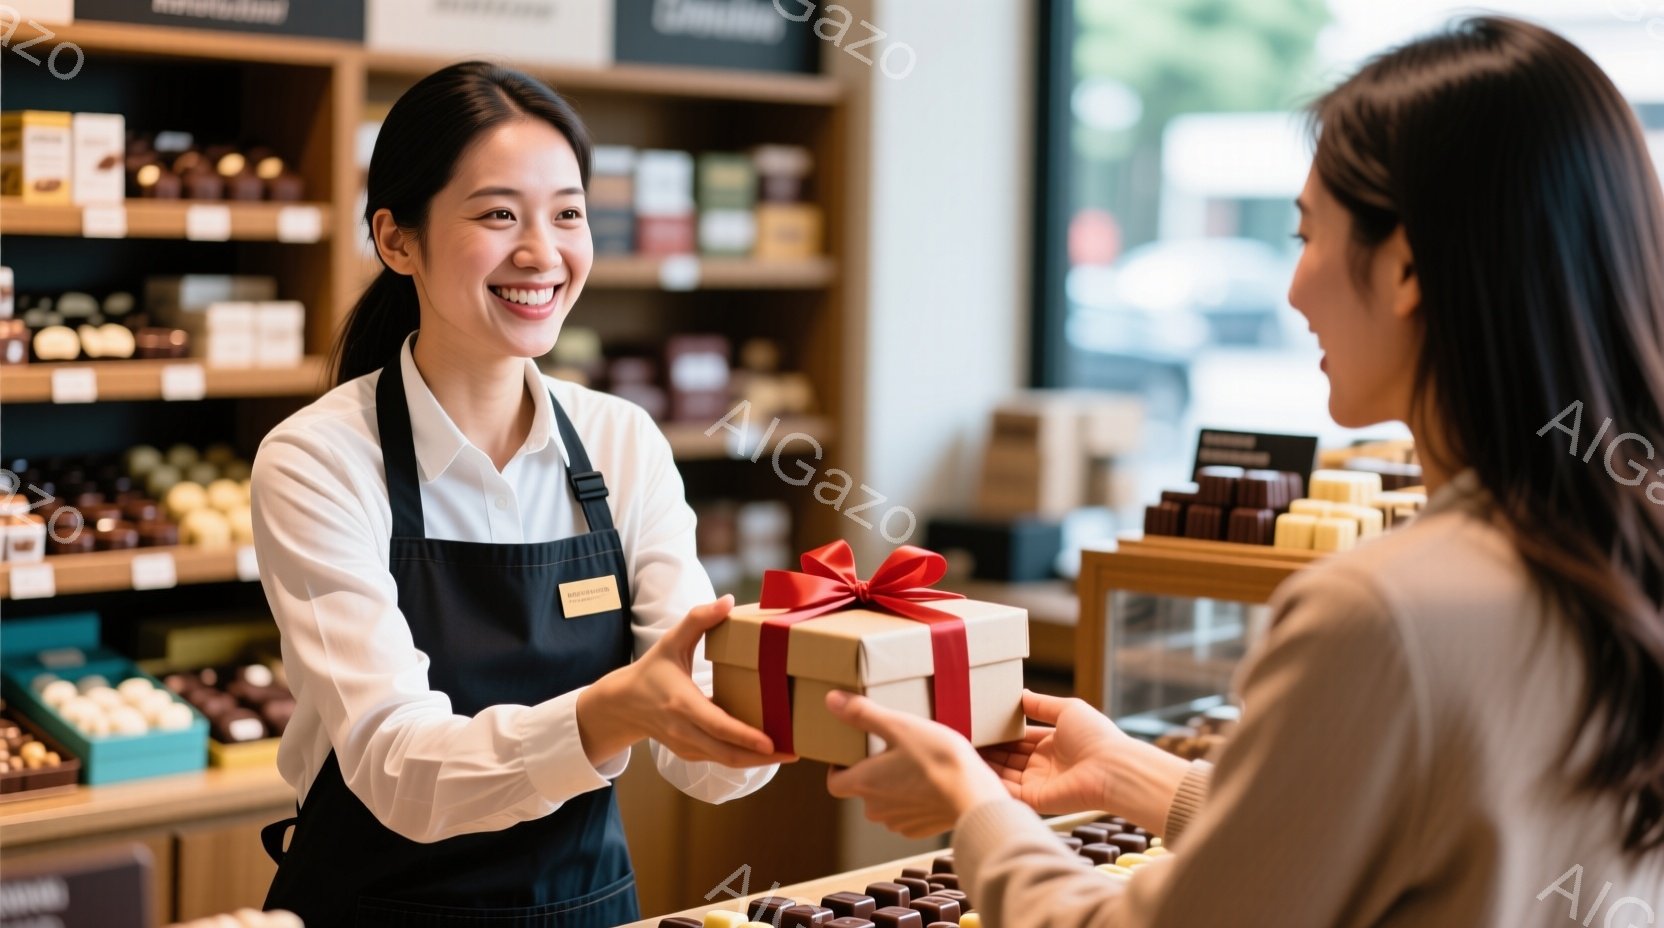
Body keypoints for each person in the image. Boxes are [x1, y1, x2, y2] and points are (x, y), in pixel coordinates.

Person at [824, 16, 1664, 926]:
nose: (1294, 288)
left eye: (1308, 236)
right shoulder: (1614, 552)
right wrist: (1137, 777)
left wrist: (973, 808)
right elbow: (1410, 829)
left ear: (1409, 264)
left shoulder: (1379, 611)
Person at [249, 62, 792, 926]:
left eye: (567, 213)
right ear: (397, 241)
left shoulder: (623, 442)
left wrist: (784, 700)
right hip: (377, 906)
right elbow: (399, 771)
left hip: (587, 906)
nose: (543, 252)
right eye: (498, 214)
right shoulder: (319, 459)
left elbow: (710, 769)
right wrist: (611, 710)